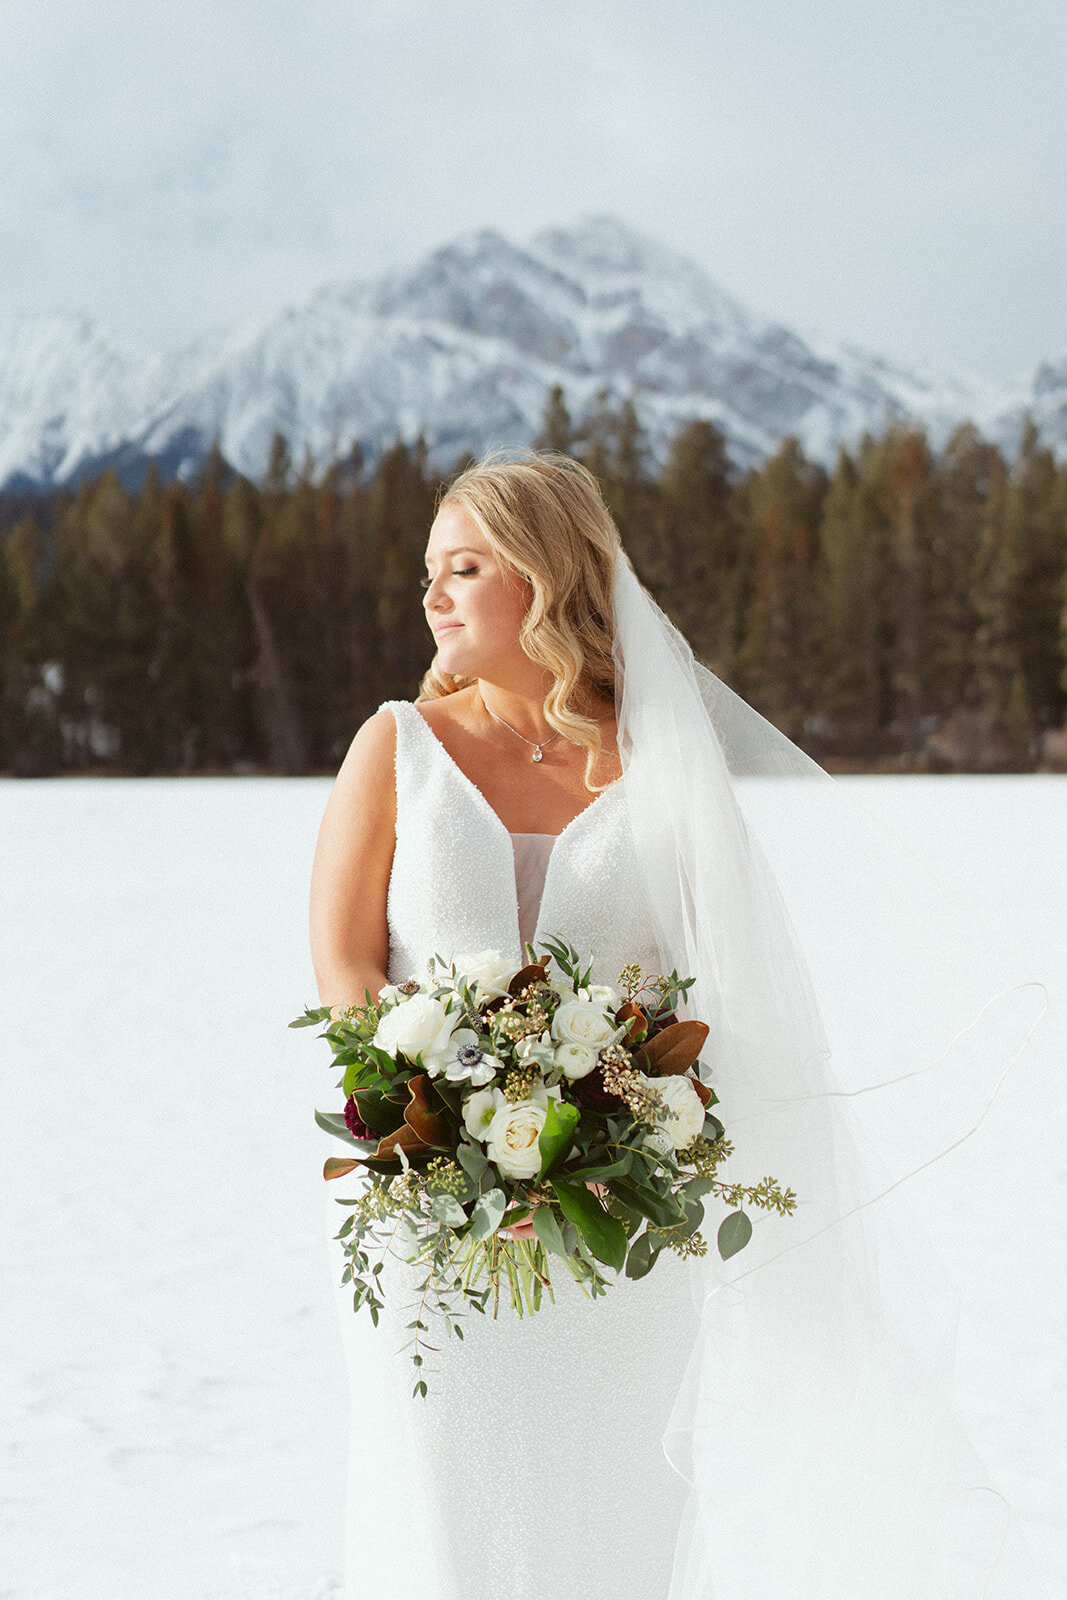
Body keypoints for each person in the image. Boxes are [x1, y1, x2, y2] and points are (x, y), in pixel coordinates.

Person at [309, 450, 1050, 1600]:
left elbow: (717, 984)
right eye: (426, 573)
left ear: (543, 579)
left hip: (614, 1227)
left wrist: (632, 1131)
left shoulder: (658, 761)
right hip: (426, 1230)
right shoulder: (396, 746)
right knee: (441, 1506)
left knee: (606, 1517)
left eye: (462, 567)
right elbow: (347, 958)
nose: (431, 595)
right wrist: (428, 1125)